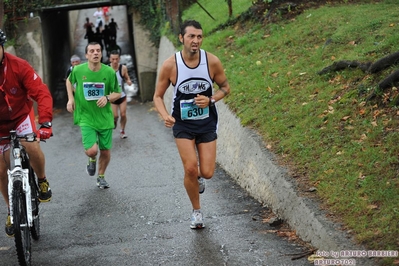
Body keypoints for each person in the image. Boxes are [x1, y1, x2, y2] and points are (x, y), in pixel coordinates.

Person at [153, 20, 230, 229]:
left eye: (199, 37)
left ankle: (199, 178)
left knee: (207, 172)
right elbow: (157, 97)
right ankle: (196, 212)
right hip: (182, 124)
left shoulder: (211, 62)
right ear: (181, 38)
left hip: (206, 122)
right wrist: (164, 115)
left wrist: (211, 99)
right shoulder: (171, 65)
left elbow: (225, 87)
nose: (195, 41)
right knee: (189, 169)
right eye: (191, 36)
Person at [0, 29, 53, 237]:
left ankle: (41, 180)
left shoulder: (18, 66)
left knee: (31, 145)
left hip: (21, 116)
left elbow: (40, 92)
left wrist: (46, 122)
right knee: (1, 168)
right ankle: (12, 210)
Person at [66, 42, 121, 189]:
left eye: (98, 50)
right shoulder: (78, 70)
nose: (95, 53)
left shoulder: (109, 72)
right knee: (92, 150)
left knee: (105, 150)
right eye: (92, 51)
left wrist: (108, 98)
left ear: (101, 54)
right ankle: (91, 159)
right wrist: (71, 99)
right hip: (86, 116)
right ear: (86, 55)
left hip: (104, 117)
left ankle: (101, 176)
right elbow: (68, 81)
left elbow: (118, 92)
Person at [108, 50, 133, 139]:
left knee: (123, 114)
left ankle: (122, 130)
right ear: (110, 59)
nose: (115, 61)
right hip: (112, 97)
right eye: (113, 59)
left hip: (122, 95)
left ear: (119, 59)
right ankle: (114, 122)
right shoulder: (106, 69)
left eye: (116, 59)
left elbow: (126, 77)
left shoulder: (123, 68)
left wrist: (128, 81)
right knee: (115, 116)